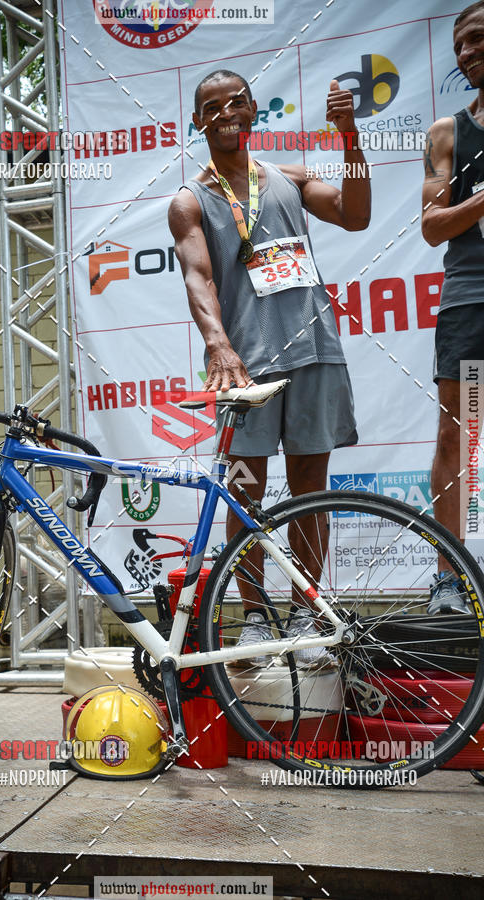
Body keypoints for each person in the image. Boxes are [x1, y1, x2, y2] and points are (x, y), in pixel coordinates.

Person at [168, 69, 371, 665]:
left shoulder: (289, 176)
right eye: (212, 107)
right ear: (198, 121)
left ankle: (310, 615)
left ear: (253, 109)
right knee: (244, 494)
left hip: (314, 352)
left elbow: (356, 214)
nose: (226, 113)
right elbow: (197, 275)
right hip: (245, 366)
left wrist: (350, 138)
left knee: (311, 487)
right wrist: (217, 343)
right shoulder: (190, 201)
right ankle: (257, 618)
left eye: (236, 102)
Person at [422, 1, 484, 615]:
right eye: (461, 46)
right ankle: (450, 578)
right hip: (473, 300)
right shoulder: (447, 133)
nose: (466, 54)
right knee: (459, 437)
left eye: (478, 41)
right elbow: (433, 226)